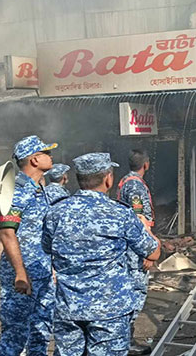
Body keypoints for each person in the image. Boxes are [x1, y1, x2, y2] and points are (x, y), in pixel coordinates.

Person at [43, 152, 159, 356]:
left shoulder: (55, 212)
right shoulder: (120, 213)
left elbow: (46, 248)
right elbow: (153, 252)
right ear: (108, 179)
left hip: (68, 307)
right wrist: (148, 230)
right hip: (109, 311)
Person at [0, 135, 57, 356]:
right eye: (46, 153)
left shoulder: (39, 190)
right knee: (16, 332)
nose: (51, 157)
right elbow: (6, 233)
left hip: (41, 271)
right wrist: (20, 273)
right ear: (34, 159)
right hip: (24, 274)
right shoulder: (17, 190)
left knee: (41, 328)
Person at [116, 149, 155, 356]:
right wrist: (148, 251)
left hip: (129, 247)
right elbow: (140, 221)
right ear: (146, 164)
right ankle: (126, 342)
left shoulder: (125, 181)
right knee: (135, 294)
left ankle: (124, 340)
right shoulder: (135, 185)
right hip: (135, 251)